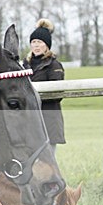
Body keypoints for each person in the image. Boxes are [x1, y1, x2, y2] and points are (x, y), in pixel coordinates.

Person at [23, 19, 65, 148]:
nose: (36, 45)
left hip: (48, 119)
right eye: (33, 42)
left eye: (39, 42)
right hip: (30, 119)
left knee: (48, 163)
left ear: (46, 45)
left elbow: (58, 93)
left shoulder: (54, 65)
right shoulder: (25, 64)